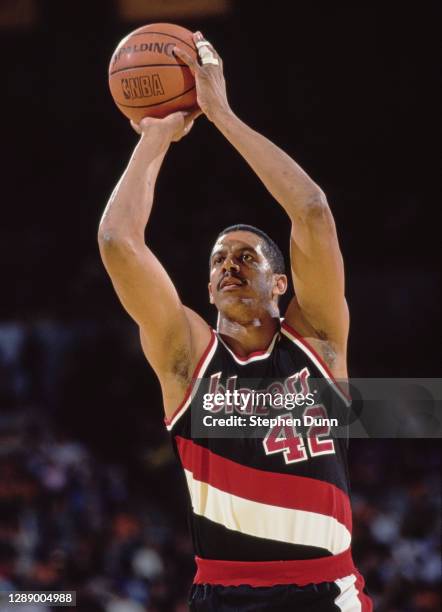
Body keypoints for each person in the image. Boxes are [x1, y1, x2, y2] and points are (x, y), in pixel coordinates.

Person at [98, 30, 372, 612]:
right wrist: (155, 136)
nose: (229, 266)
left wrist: (219, 114)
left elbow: (312, 211)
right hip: (222, 593)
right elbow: (117, 241)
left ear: (281, 284)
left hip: (326, 591)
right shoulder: (187, 357)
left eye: (247, 256)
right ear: (206, 287)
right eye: (219, 259)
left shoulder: (317, 341)